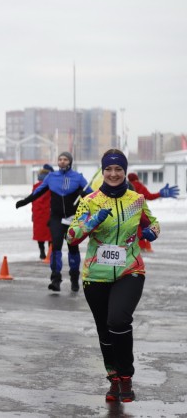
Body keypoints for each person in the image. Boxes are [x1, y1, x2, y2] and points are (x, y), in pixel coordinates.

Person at [67, 149, 159, 403]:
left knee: (118, 320)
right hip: (95, 275)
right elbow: (71, 237)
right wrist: (91, 222)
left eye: (118, 169)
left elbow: (153, 223)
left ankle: (126, 375)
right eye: (108, 169)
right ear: (103, 171)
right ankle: (114, 378)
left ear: (124, 171)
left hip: (130, 270)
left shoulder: (136, 200)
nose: (113, 173)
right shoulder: (90, 201)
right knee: (104, 331)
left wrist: (151, 232)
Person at [16, 152, 91, 292]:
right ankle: (55, 279)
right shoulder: (51, 177)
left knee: (72, 248)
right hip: (56, 218)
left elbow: (92, 195)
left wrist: (84, 194)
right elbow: (38, 191)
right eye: (60, 159)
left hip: (72, 218)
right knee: (56, 246)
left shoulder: (78, 177)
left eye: (65, 159)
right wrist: (25, 201)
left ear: (70, 162)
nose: (62, 161)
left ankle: (74, 278)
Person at [31, 164, 53, 259]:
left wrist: (33, 213)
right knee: (50, 234)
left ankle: (42, 252)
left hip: (38, 213)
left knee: (40, 233)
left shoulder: (35, 186)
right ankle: (50, 252)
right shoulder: (51, 186)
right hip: (49, 213)